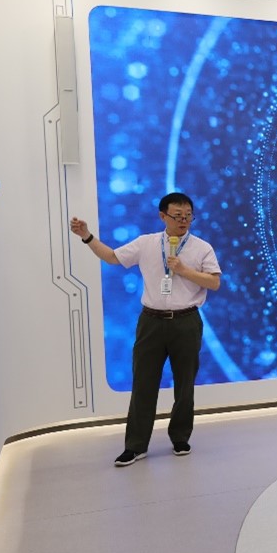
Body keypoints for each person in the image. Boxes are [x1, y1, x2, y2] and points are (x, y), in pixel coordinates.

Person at [70, 193, 222, 467]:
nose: (183, 221)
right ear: (163, 216)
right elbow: (112, 258)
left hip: (186, 321)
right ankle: (136, 446)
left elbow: (214, 283)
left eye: (188, 216)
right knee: (143, 384)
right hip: (151, 321)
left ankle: (180, 438)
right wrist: (87, 237)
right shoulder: (146, 243)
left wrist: (183, 270)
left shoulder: (202, 248)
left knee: (185, 384)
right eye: (177, 216)